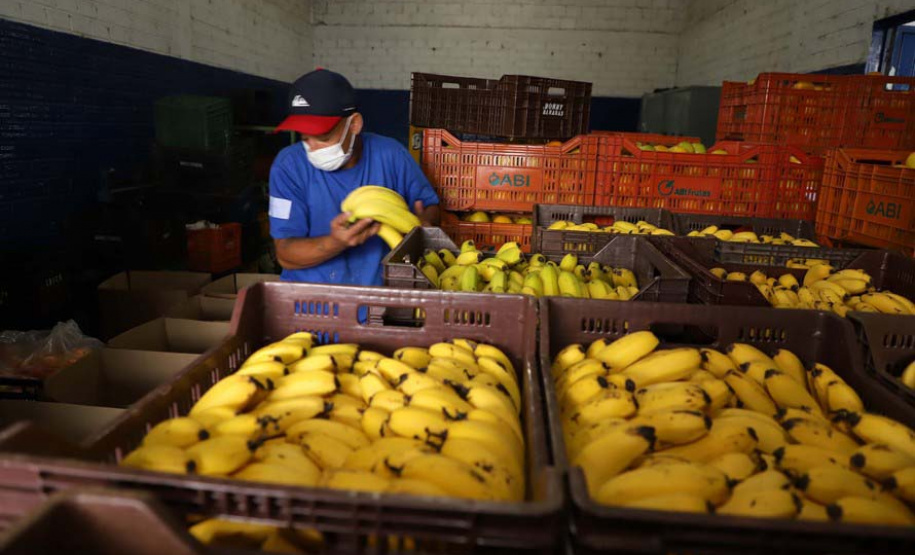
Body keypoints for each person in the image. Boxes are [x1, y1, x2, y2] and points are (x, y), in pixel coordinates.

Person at [268, 69, 440, 286]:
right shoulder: (289, 166)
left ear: (354, 124)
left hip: (378, 299)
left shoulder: (391, 155)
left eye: (323, 136)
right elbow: (285, 254)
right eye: (304, 137)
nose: (312, 148)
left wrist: (425, 223)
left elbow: (430, 206)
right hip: (311, 302)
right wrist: (335, 242)